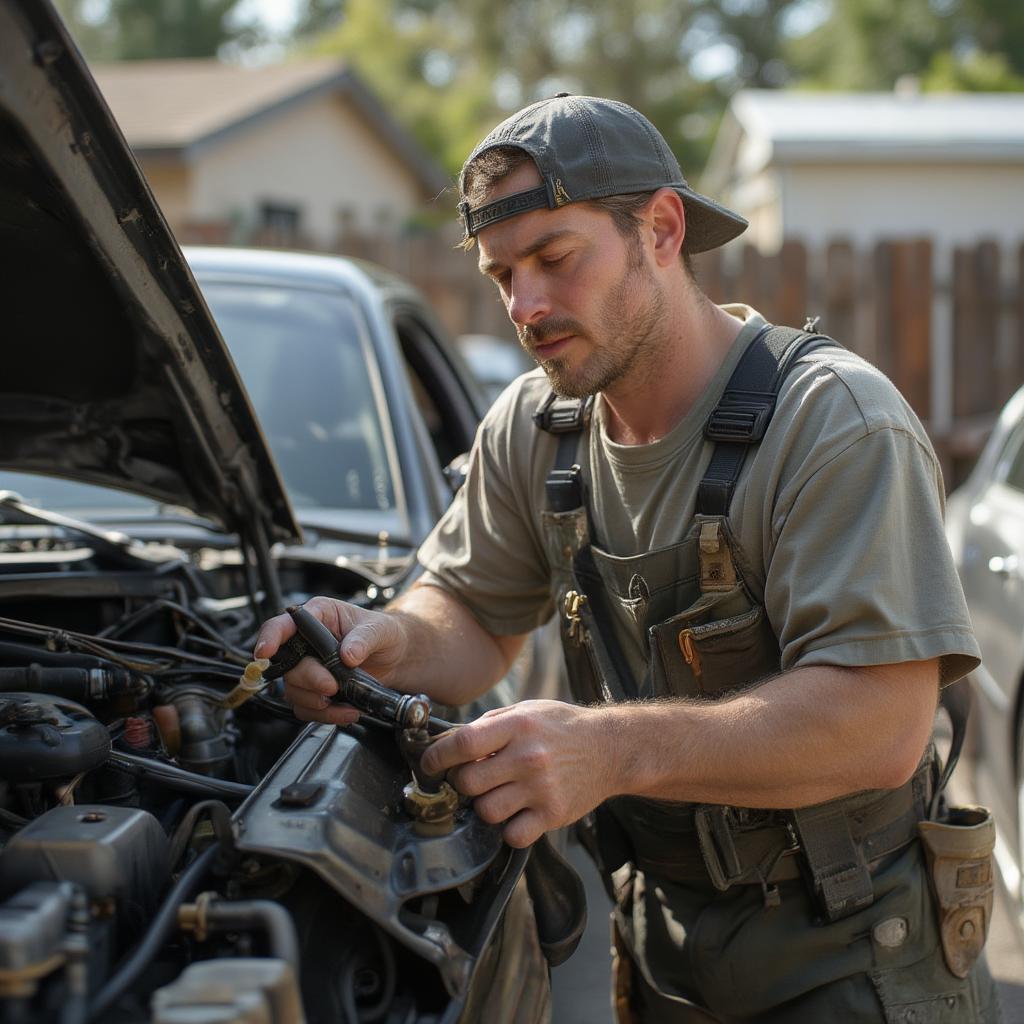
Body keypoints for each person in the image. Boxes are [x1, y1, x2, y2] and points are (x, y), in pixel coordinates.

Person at [255, 95, 1000, 1022]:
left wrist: (607, 749)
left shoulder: (833, 423)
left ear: (660, 228)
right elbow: (473, 610)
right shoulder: (535, 427)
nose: (525, 305)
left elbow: (880, 724)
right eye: (503, 274)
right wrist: (384, 642)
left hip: (853, 954)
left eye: (556, 260)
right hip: (660, 944)